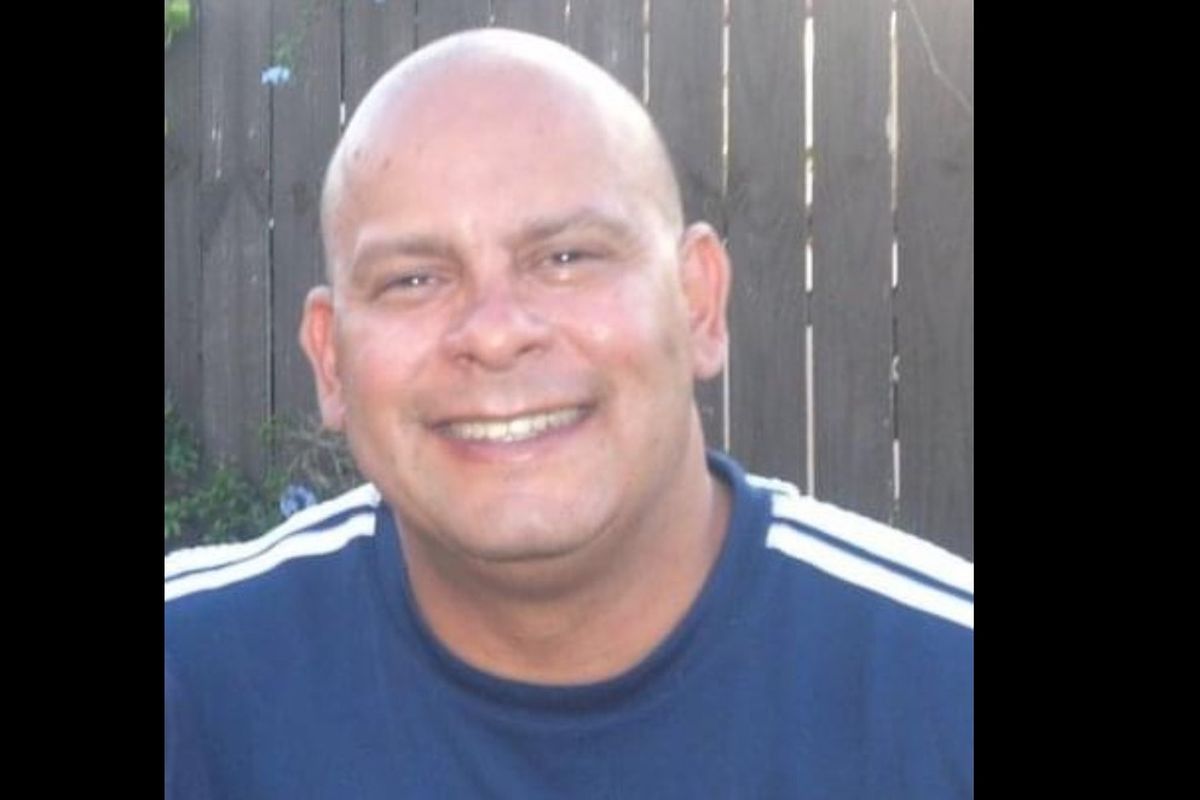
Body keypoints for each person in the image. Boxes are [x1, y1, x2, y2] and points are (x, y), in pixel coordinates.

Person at [165, 28, 973, 799]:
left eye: (566, 258)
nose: (495, 333)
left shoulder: (944, 684)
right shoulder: (192, 680)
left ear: (698, 303)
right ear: (330, 358)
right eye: (413, 279)